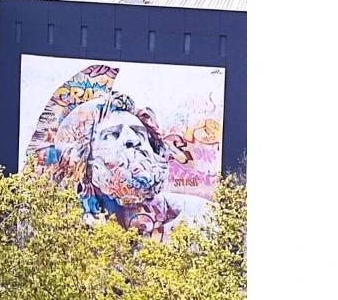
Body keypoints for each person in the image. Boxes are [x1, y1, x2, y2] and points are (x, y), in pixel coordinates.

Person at [25, 64, 212, 240]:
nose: (133, 139)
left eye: (139, 132)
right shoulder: (66, 238)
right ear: (86, 165)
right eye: (112, 135)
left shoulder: (200, 218)